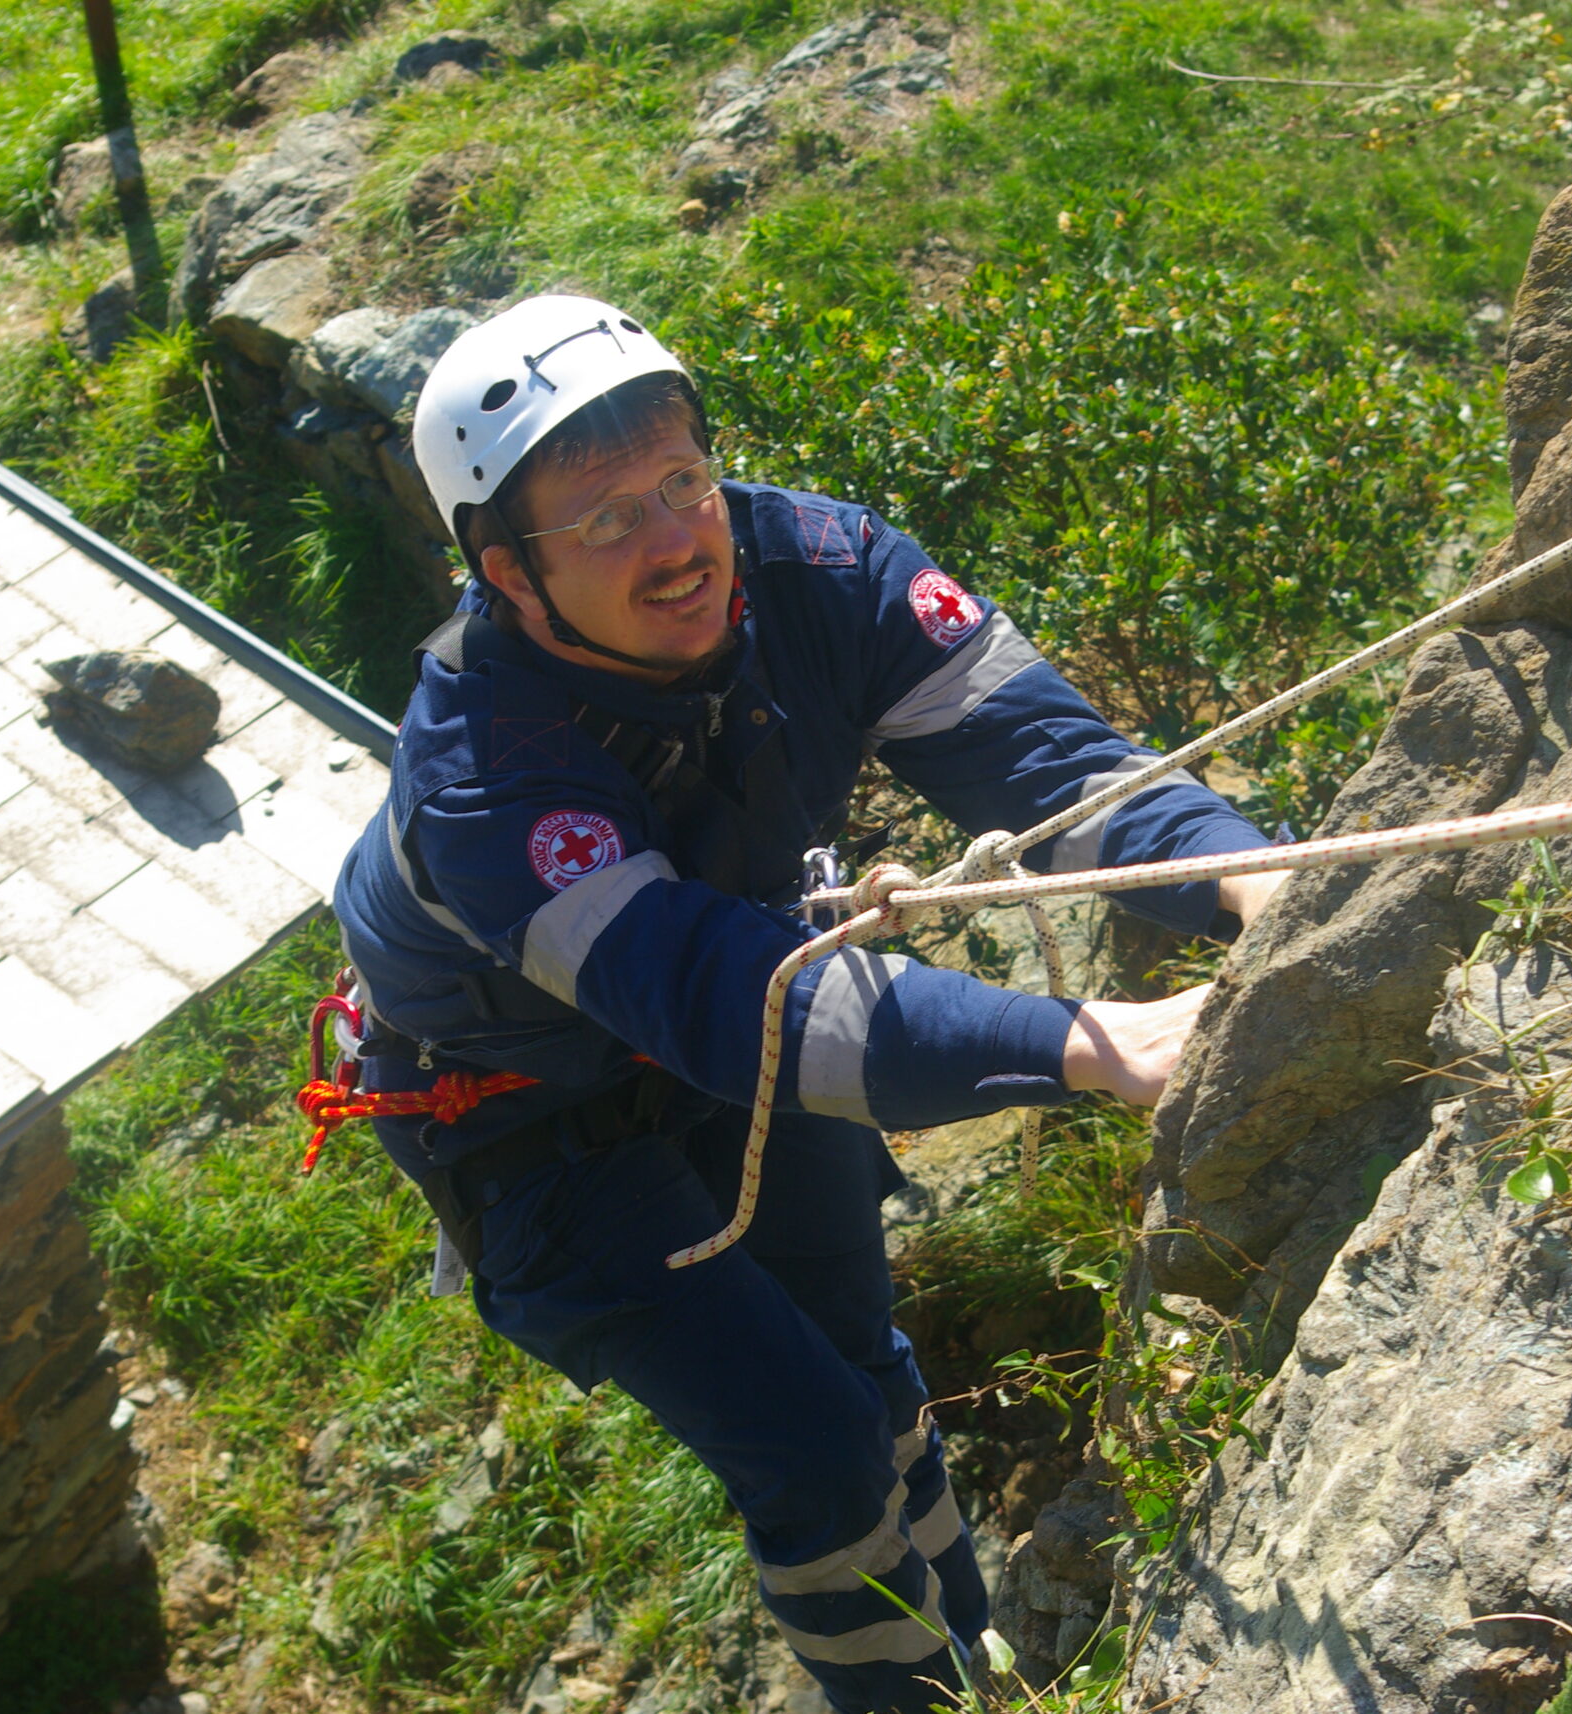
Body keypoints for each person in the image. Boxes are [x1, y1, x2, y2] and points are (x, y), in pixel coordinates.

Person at [329, 295, 1287, 1711]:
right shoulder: (485, 773)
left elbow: (1049, 764)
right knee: (814, 1450)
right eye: (601, 518)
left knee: (872, 1372)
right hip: (530, 1126)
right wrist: (1098, 1045)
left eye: (682, 480)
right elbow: (736, 1006)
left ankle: (978, 1661)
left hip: (730, 1008)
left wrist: (1254, 887)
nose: (675, 541)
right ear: (507, 574)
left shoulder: (819, 565)